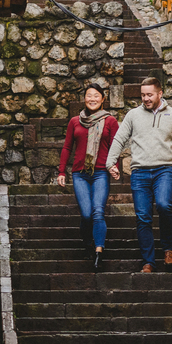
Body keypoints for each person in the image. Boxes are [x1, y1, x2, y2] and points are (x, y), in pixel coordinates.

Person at [105, 77, 172, 272]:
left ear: (160, 94)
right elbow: (119, 139)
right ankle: (148, 261)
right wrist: (111, 162)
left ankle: (168, 249)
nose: (146, 98)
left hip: (164, 170)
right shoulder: (133, 115)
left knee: (163, 205)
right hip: (139, 172)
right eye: (143, 95)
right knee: (143, 216)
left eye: (149, 94)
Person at [57, 84, 119, 272]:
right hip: (80, 174)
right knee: (86, 213)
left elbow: (116, 147)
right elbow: (67, 147)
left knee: (98, 211)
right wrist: (61, 172)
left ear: (102, 99)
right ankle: (87, 242)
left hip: (101, 172)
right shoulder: (75, 121)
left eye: (96, 96)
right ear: (84, 99)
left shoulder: (110, 121)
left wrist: (114, 166)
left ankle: (99, 252)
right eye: (89, 96)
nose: (92, 99)